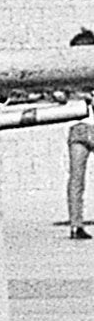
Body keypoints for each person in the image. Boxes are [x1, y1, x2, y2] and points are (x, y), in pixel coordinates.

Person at [67, 33, 94, 239]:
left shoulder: (70, 72)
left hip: (78, 127)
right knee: (77, 179)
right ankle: (76, 224)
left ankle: (76, 224)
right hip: (82, 126)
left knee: (76, 179)